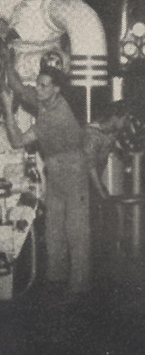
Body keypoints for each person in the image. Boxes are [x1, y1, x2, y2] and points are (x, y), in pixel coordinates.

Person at [1, 62, 90, 300]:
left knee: (76, 230)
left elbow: (17, 141)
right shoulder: (46, 101)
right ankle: (56, 276)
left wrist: (8, 108)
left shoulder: (58, 116)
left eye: (43, 86)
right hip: (56, 170)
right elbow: (20, 89)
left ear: (56, 89)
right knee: (53, 228)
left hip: (73, 172)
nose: (38, 89)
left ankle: (79, 284)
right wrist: (6, 60)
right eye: (38, 84)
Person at [84, 100, 130, 201]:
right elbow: (90, 167)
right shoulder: (92, 135)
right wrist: (100, 191)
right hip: (84, 182)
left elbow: (115, 148)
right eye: (125, 118)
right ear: (114, 118)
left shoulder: (111, 133)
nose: (126, 122)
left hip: (94, 181)